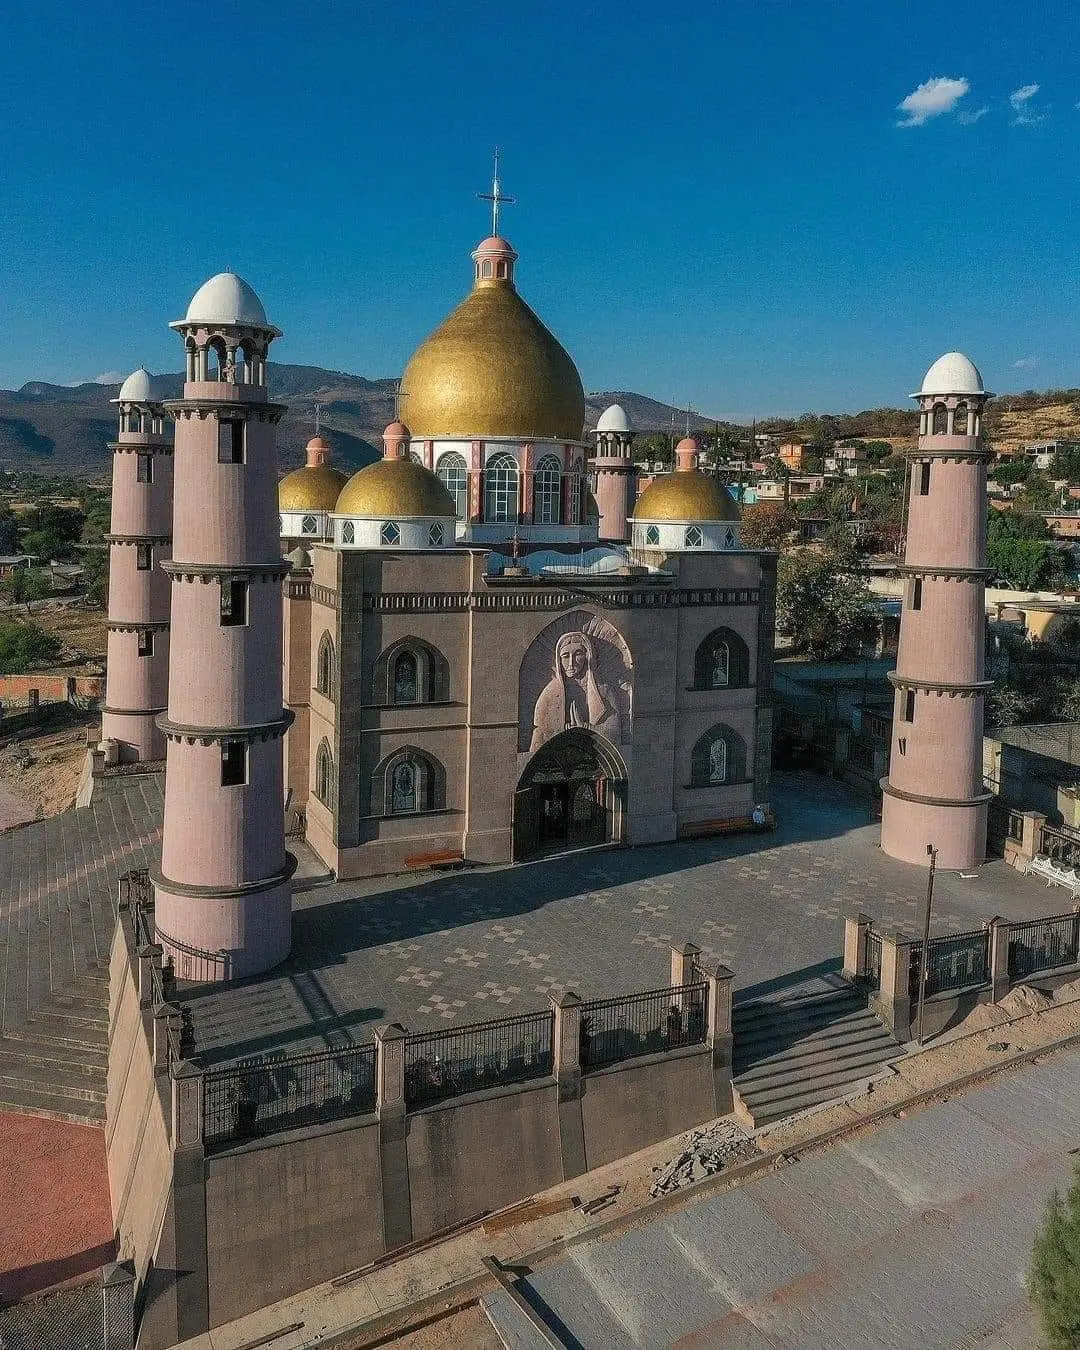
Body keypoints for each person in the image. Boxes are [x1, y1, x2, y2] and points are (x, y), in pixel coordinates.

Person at [530, 631, 621, 751]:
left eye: (578, 654)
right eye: (565, 656)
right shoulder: (549, 695)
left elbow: (615, 733)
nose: (571, 663)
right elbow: (538, 738)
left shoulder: (603, 690)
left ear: (587, 656)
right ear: (558, 660)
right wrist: (562, 731)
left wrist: (587, 727)